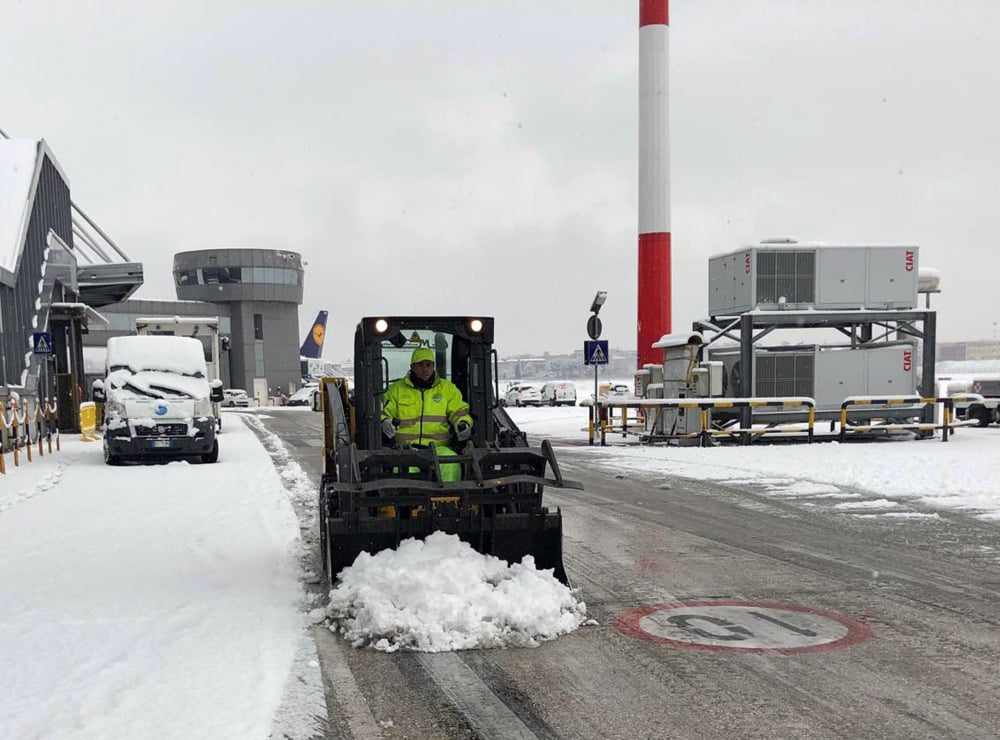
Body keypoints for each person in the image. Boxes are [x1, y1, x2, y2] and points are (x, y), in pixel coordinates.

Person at [381, 346, 473, 482]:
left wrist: (463, 423)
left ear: (434, 366)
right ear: (412, 367)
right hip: (406, 449)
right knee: (403, 469)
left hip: (440, 448)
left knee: (451, 464)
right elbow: (384, 412)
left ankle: (449, 500)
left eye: (428, 365)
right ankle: (408, 503)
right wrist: (385, 422)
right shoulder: (396, 390)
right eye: (420, 365)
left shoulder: (447, 389)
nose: (425, 369)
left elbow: (459, 411)